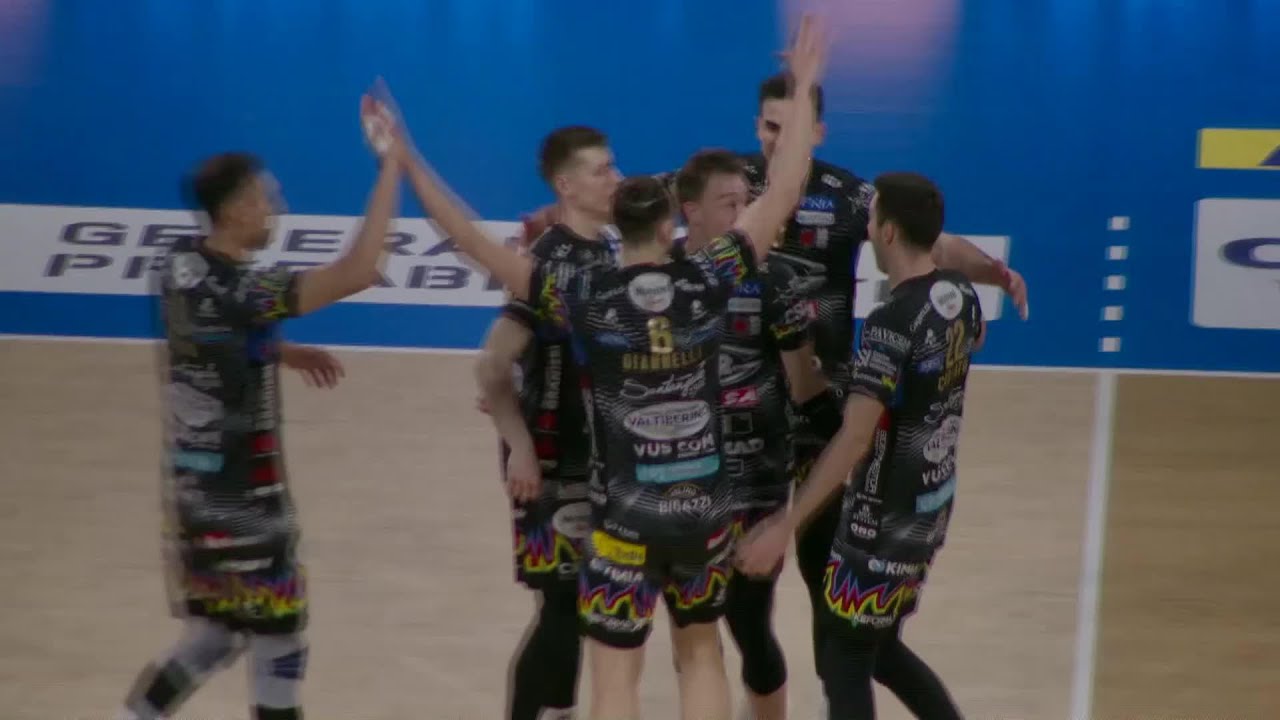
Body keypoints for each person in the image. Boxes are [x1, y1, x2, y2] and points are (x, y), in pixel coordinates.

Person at [401, 16, 829, 719]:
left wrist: (407, 158)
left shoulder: (581, 292)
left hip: (621, 520)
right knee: (700, 655)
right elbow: (783, 189)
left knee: (614, 678)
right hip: (703, 513)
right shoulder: (710, 277)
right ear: (668, 227)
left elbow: (468, 237)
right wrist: (806, 84)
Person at [116, 92, 408, 720]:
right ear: (237, 208)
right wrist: (392, 167)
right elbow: (359, 270)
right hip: (246, 502)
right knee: (280, 643)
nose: (277, 208)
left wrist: (278, 350)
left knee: (214, 637)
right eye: (267, 197)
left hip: (192, 498)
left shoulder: (178, 265)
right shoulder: (246, 289)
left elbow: (211, 339)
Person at [737, 171, 982, 720]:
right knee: (881, 648)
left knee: (844, 655)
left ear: (888, 232)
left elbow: (853, 438)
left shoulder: (889, 322)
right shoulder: (959, 295)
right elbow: (972, 341)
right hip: (930, 505)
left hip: (881, 517)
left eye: (872, 219)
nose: (866, 229)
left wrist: (786, 524)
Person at [669, 148, 838, 720]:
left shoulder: (773, 278)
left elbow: (805, 388)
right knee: (691, 630)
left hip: (756, 484)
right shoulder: (660, 277)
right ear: (690, 210)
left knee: (749, 626)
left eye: (748, 202)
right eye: (728, 203)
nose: (743, 214)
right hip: (680, 484)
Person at [475, 125, 621, 720]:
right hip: (549, 463)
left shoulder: (606, 248)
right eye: (602, 171)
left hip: (593, 460)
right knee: (561, 608)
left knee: (575, 607)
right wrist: (521, 448)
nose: (615, 179)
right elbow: (492, 362)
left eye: (613, 167)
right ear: (567, 185)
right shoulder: (547, 260)